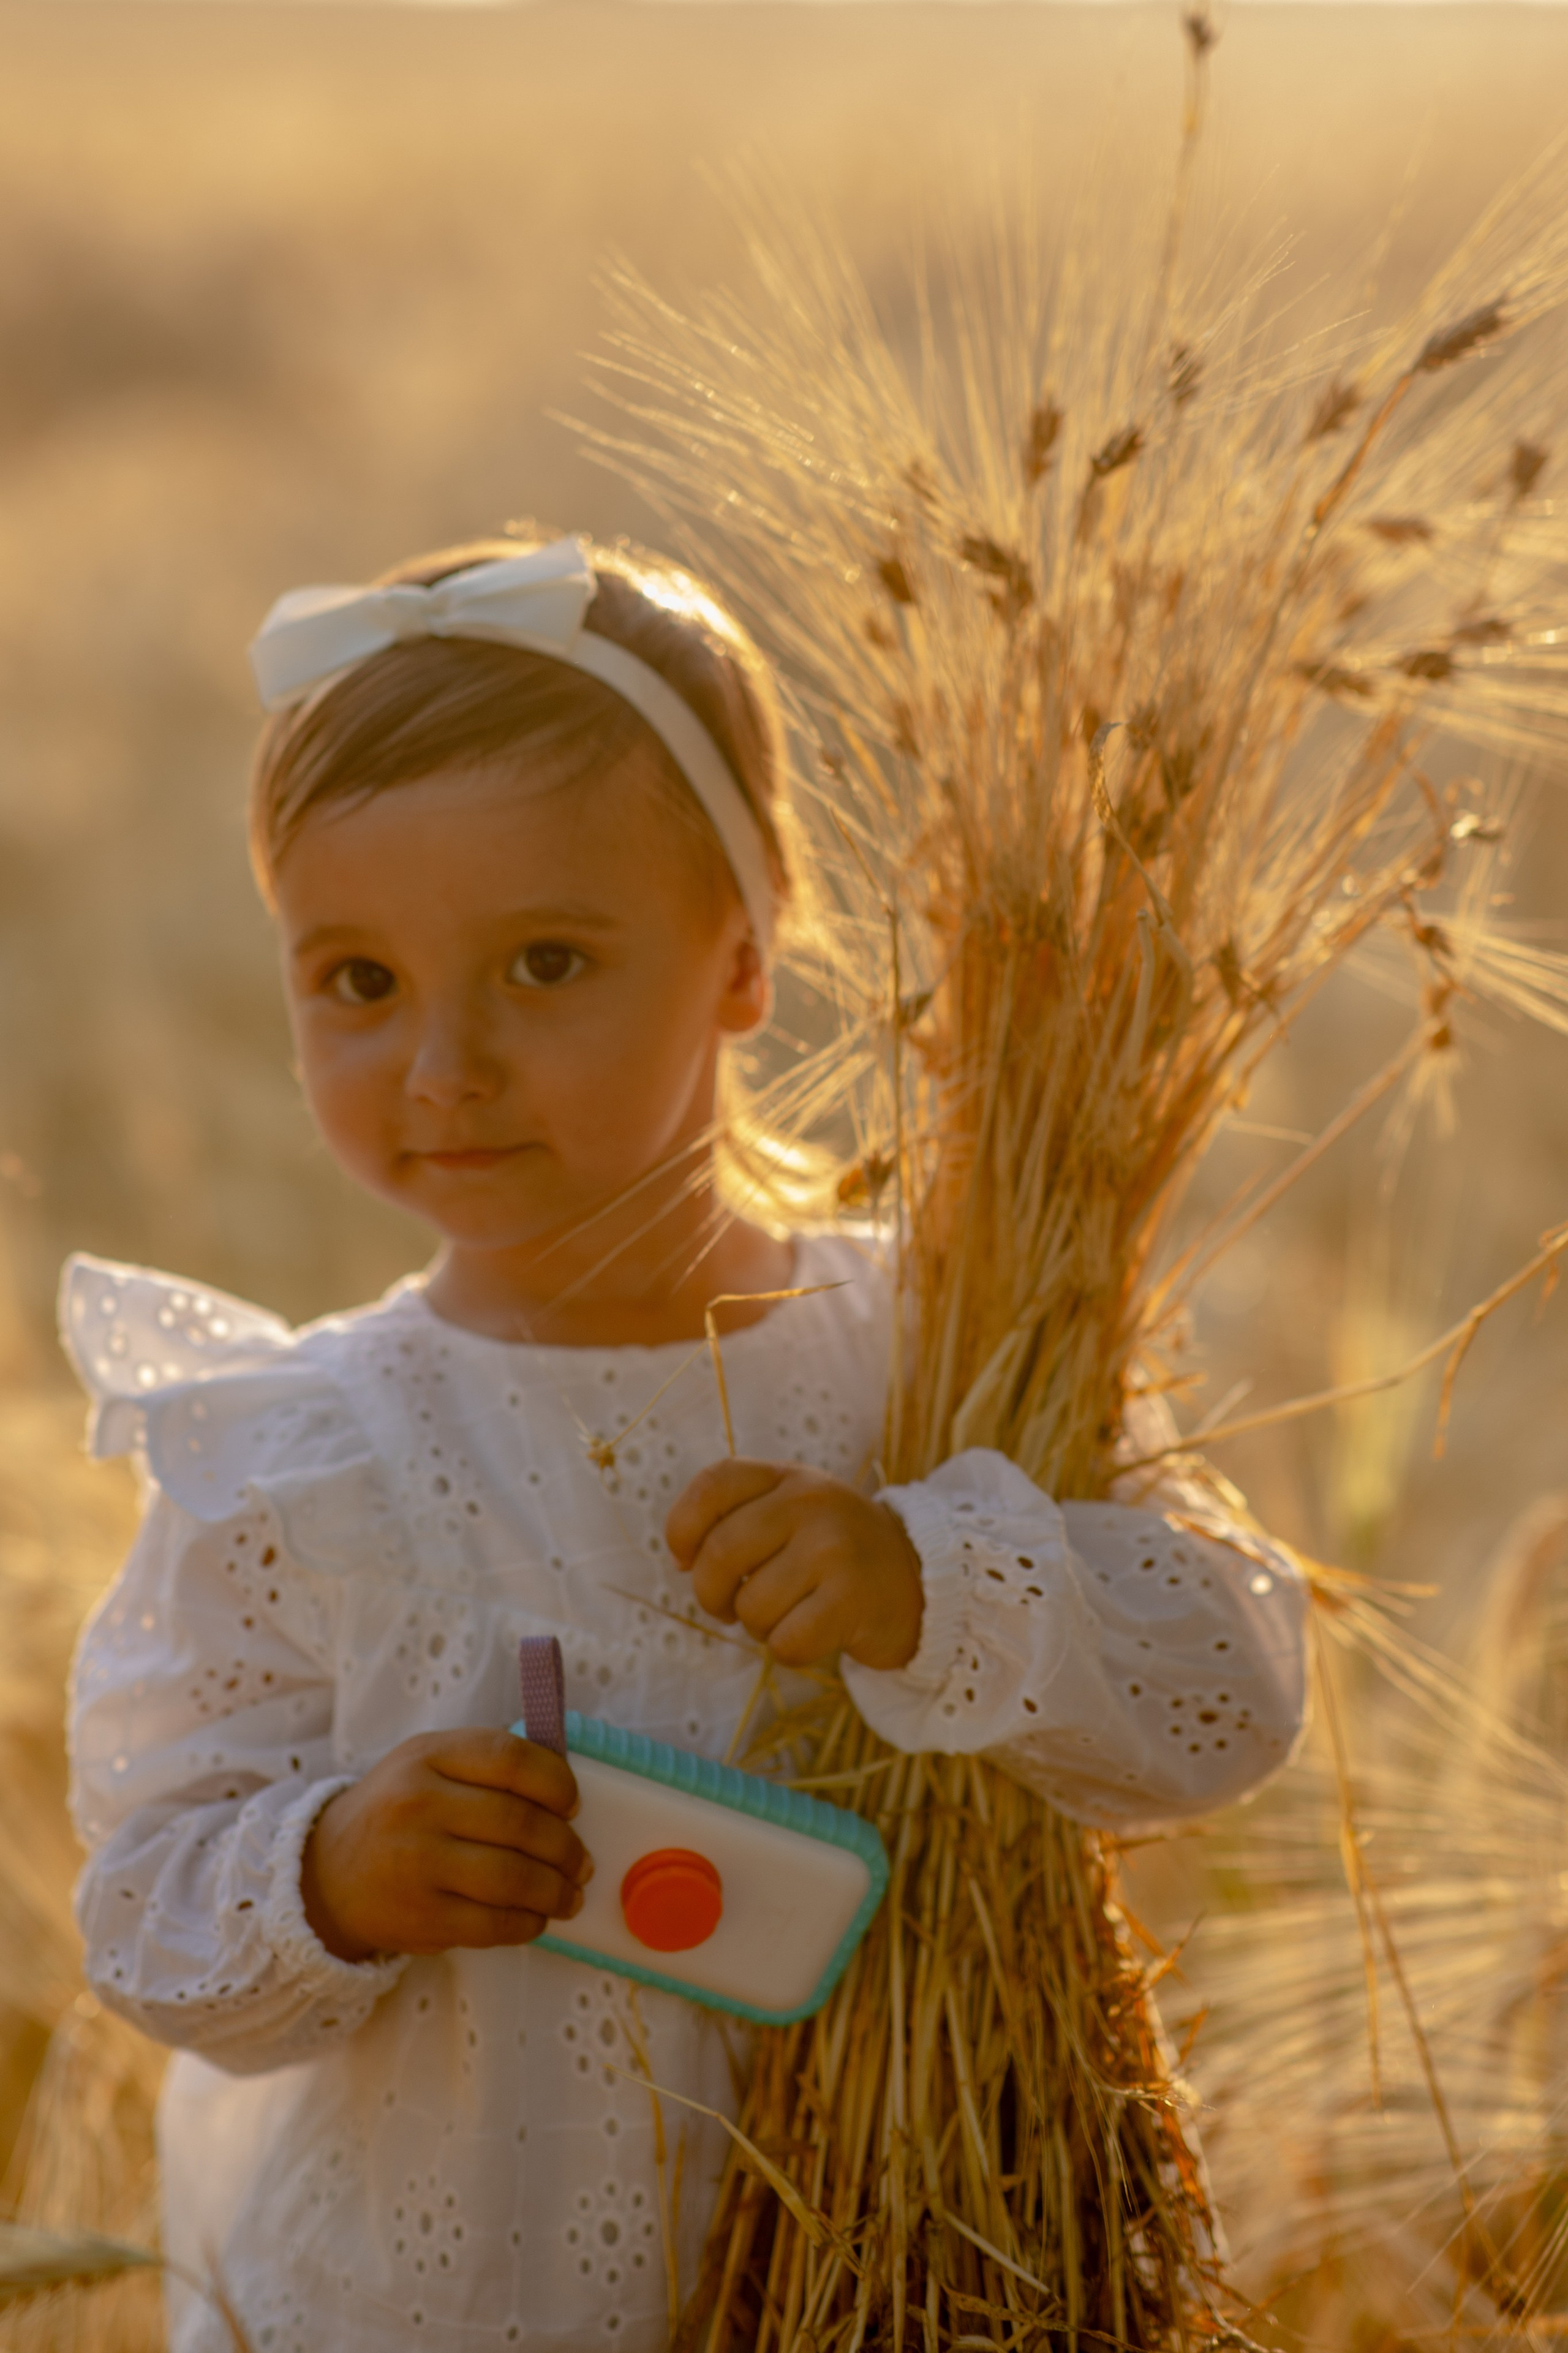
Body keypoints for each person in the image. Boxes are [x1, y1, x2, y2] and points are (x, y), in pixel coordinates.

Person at [63, 532, 1307, 2353]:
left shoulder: (947, 1356)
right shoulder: (299, 1452)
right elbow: (144, 1903)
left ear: (743, 955)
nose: (442, 1066)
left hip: (902, 2278)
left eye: (545, 962)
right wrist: (330, 1867)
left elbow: (1233, 1682)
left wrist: (930, 1580)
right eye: (356, 981)